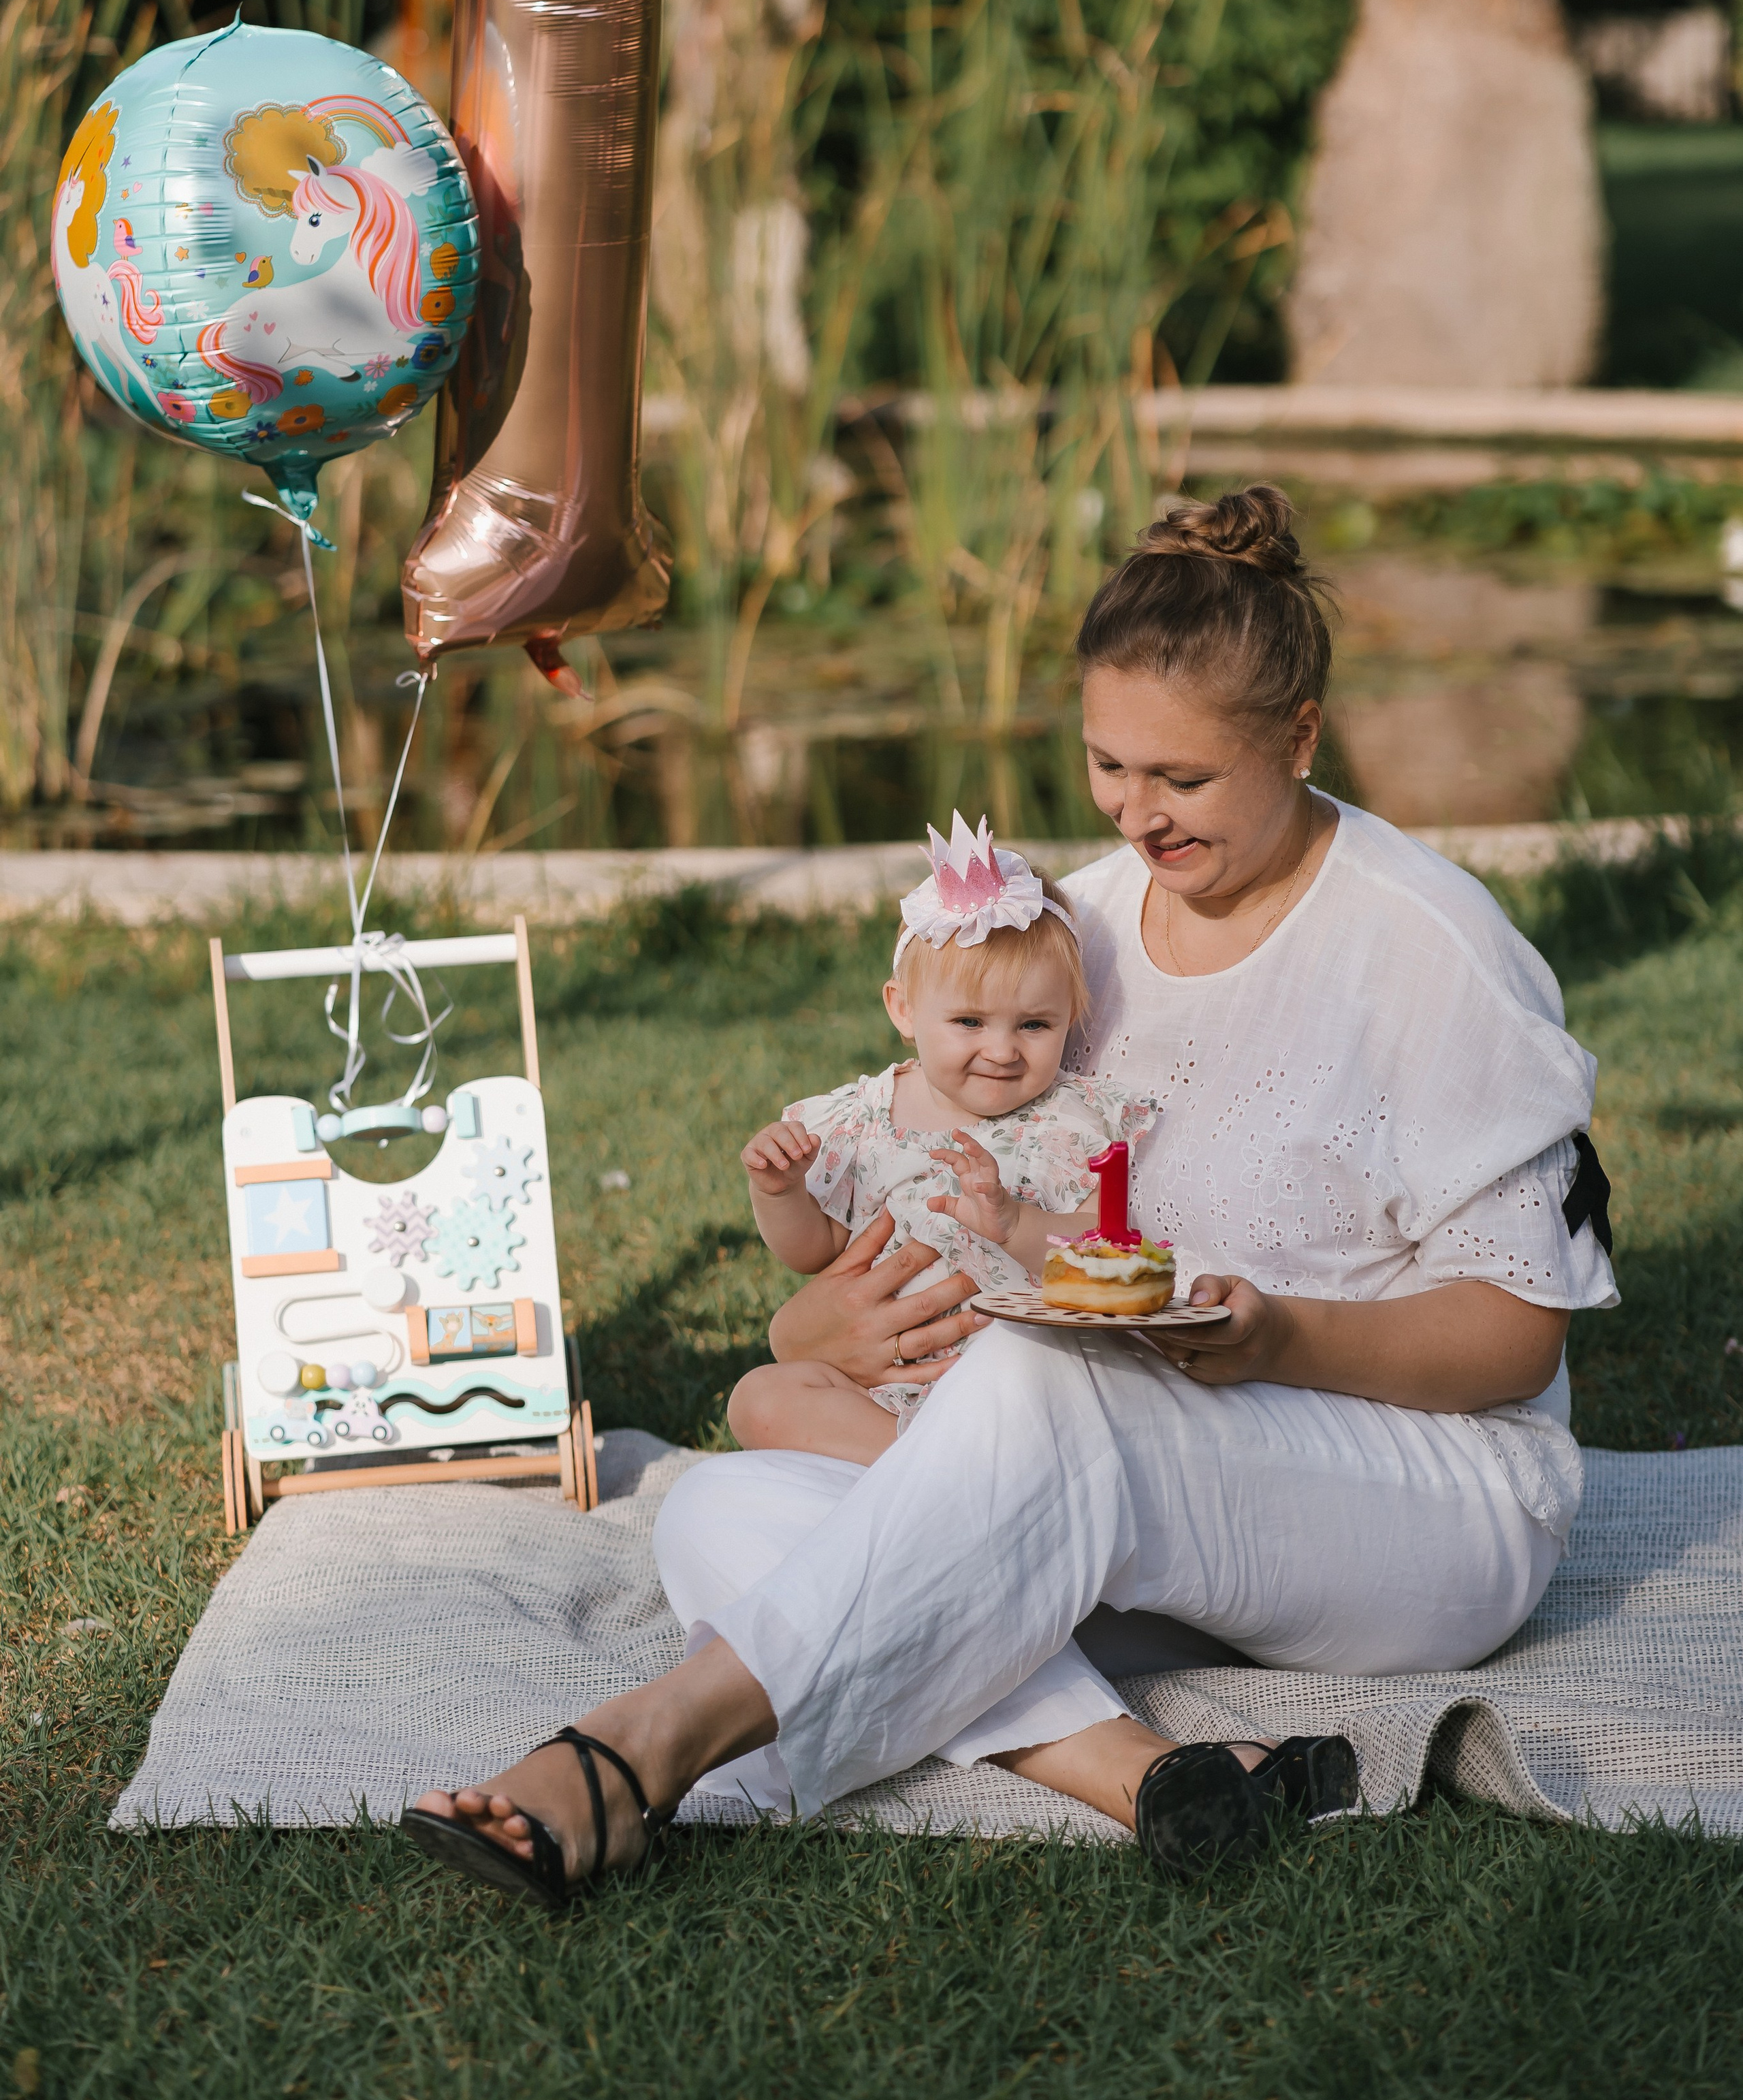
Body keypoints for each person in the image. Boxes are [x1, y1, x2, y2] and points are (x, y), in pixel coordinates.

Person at [403, 485, 1618, 1907]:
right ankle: (1149, 1778)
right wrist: (816, 1336)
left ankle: (635, 1752)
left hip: (1422, 1509)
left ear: (1296, 735)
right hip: (1148, 1498)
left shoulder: (1430, 951)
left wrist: (1278, 1338)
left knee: (1046, 1395)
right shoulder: (1073, 932)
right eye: (1108, 766)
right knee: (718, 1515)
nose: (1133, 812)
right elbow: (922, 1217)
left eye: (1180, 780)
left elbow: (1513, 1339)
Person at [730, 818, 1155, 1464]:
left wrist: (1015, 1224)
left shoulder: (1075, 1122)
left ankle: (958, 1475)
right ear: (903, 1010)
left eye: (1035, 1023)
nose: (1003, 1049)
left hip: (1021, 1385)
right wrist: (780, 1190)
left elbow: (1114, 1254)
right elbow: (817, 1251)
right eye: (969, 1021)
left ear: (1073, 1014)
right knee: (758, 1399)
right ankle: (927, 1470)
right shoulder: (860, 1120)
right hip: (891, 1389)